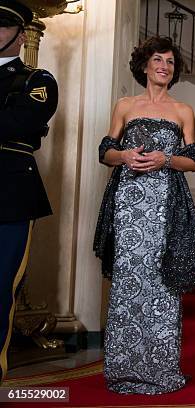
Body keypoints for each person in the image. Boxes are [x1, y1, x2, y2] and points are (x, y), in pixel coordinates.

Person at [93, 36, 195, 395]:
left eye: (170, 62)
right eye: (158, 59)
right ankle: (122, 370)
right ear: (144, 65)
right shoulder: (125, 105)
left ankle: (160, 370)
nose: (164, 66)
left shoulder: (184, 110)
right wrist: (123, 157)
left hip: (166, 206)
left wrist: (166, 160)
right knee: (128, 281)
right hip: (128, 203)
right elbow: (105, 150)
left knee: (162, 285)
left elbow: (194, 160)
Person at [0, 0, 58, 385]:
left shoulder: (37, 80)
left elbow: (18, 122)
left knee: (0, 281)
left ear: (22, 35)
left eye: (2, 26)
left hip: (10, 191)